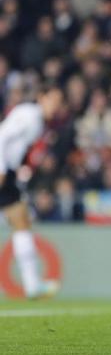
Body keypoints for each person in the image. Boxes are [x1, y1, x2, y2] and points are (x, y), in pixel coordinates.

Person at [0, 85, 63, 299]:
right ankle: (32, 284)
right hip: (2, 170)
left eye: (58, 101)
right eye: (52, 99)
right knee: (21, 222)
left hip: (8, 173)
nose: (55, 106)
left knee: (21, 221)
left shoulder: (38, 124)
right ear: (41, 96)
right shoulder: (29, 115)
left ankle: (32, 285)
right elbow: (1, 136)